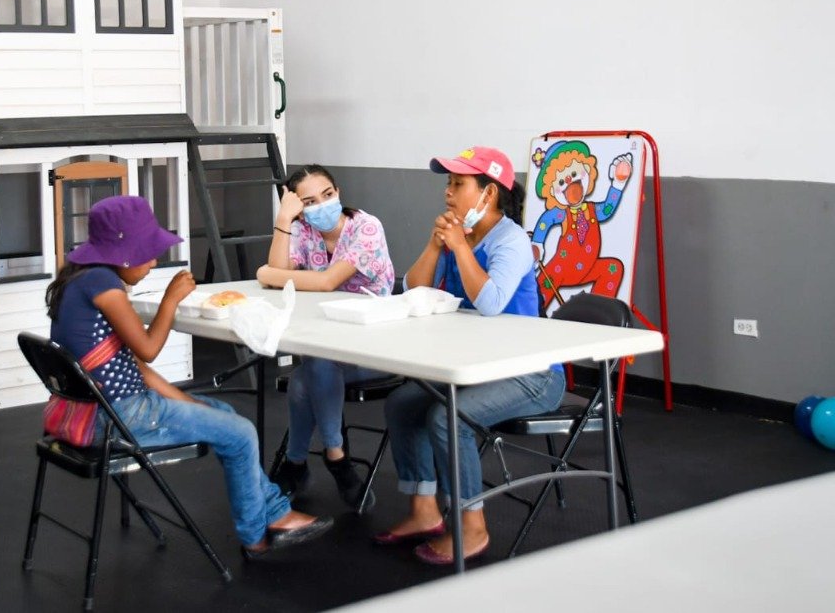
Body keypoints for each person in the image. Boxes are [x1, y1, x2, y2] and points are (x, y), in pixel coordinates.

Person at [46, 195, 332, 558]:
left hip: (95, 411)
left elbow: (135, 366)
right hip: (119, 416)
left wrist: (188, 402)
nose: (153, 262)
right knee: (241, 433)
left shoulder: (79, 281)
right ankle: (256, 534)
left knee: (225, 415)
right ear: (124, 254)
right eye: (148, 254)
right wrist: (171, 299)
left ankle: (274, 514)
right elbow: (148, 350)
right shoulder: (104, 285)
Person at [374, 146, 565, 565]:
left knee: (448, 417)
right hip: (476, 366)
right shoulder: (458, 235)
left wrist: (460, 247)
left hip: (532, 373)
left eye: (458, 184)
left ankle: (471, 524)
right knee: (403, 404)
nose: (448, 192)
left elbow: (491, 302)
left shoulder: (511, 241)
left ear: (488, 193)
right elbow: (413, 291)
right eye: (448, 183)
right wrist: (434, 246)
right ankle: (425, 510)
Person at [256, 164, 395, 508]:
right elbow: (279, 273)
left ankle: (305, 462)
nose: (322, 205)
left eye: (328, 195)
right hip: (327, 340)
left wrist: (268, 274)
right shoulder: (302, 230)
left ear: (338, 192)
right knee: (308, 372)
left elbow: (326, 281)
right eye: (309, 202)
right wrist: (283, 220)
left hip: (375, 346)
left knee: (310, 371)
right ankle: (331, 459)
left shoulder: (366, 227)